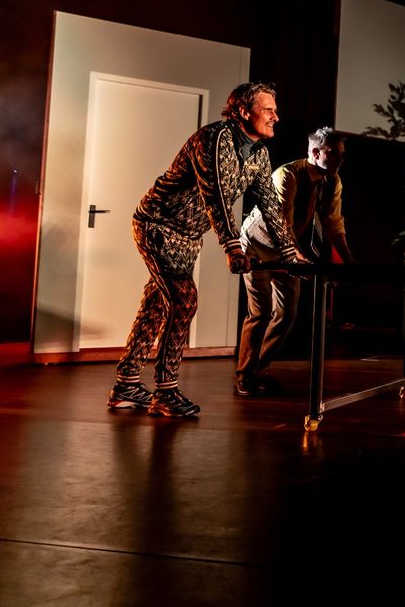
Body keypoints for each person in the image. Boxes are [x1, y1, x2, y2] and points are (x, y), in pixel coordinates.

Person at [106, 82, 297, 417]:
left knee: (157, 304)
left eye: (275, 111)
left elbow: (269, 203)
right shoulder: (214, 139)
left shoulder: (259, 154)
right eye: (268, 110)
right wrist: (233, 247)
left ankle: (126, 384)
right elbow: (216, 195)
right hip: (158, 225)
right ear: (243, 111)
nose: (275, 117)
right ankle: (165, 391)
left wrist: (289, 251)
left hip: (189, 237)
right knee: (184, 300)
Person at [234, 127, 355, 396]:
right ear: (316, 152)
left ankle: (259, 372)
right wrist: (301, 260)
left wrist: (349, 261)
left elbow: (333, 223)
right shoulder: (287, 175)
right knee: (260, 312)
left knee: (286, 313)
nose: (340, 159)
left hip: (287, 250)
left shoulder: (332, 181)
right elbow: (282, 226)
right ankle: (244, 376)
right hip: (257, 247)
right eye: (334, 153)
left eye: (342, 154)